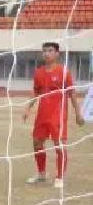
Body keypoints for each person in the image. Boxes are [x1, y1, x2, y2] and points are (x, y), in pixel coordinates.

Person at [23, 42, 85, 188]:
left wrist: (78, 113)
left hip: (58, 115)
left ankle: (60, 177)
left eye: (50, 51)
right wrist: (27, 108)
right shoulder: (38, 72)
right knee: (37, 142)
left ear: (57, 53)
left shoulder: (64, 72)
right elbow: (36, 91)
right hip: (42, 114)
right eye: (44, 51)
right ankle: (41, 173)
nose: (46, 54)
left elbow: (72, 93)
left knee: (59, 145)